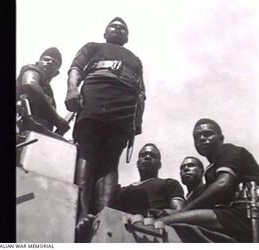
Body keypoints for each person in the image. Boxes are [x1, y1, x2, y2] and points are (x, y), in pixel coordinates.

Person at [64, 17, 146, 226]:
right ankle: (80, 214)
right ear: (105, 32)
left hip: (124, 105)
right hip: (96, 92)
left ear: (127, 37)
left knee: (111, 162)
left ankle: (105, 218)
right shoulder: (93, 47)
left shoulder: (135, 59)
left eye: (122, 28)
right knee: (87, 152)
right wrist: (72, 89)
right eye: (113, 26)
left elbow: (141, 91)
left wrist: (138, 120)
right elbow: (76, 68)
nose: (118, 29)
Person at [159, 118, 259, 242]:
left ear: (221, 138)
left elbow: (223, 184)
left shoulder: (228, 149)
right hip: (233, 217)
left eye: (208, 134)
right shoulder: (212, 169)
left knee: (163, 223)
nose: (202, 138)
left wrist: (182, 212)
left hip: (244, 215)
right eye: (197, 136)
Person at [118, 143, 185, 217]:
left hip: (158, 225)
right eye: (143, 155)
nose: (147, 157)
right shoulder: (124, 191)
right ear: (138, 163)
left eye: (153, 156)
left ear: (159, 165)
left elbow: (179, 212)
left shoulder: (170, 184)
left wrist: (161, 214)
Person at [16, 47, 70, 139]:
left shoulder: (47, 93)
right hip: (21, 130)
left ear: (57, 73)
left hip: (35, 135)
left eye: (54, 62)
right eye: (46, 59)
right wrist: (57, 119)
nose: (50, 62)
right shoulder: (31, 71)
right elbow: (29, 84)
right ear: (37, 64)